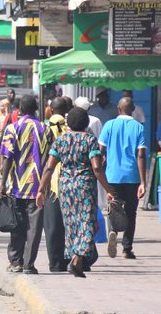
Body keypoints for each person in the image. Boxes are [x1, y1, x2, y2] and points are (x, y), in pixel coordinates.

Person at [36, 107, 115, 277]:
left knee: (71, 224)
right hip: (85, 187)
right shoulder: (90, 140)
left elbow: (49, 167)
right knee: (88, 223)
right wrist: (109, 190)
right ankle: (77, 259)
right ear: (86, 123)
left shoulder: (60, 141)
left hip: (65, 188)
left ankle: (75, 258)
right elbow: (96, 168)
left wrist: (41, 190)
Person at [0, 95, 48, 274]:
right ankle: (29, 264)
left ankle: (15, 261)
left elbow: (7, 158)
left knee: (17, 225)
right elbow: (50, 159)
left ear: (19, 109)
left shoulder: (13, 128)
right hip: (38, 187)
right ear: (36, 109)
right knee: (34, 228)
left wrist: (2, 184)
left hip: (17, 186)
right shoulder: (45, 129)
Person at [98, 96, 148, 259]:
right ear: (133, 110)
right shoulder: (138, 128)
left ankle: (112, 231)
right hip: (132, 176)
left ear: (118, 109)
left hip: (112, 176)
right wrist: (143, 181)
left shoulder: (109, 125)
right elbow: (141, 155)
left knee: (114, 207)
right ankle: (127, 248)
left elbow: (101, 150)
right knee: (131, 212)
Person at [41, 97, 72, 272]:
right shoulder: (71, 127)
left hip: (53, 180)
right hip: (70, 179)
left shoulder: (50, 126)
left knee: (52, 224)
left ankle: (55, 262)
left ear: (51, 110)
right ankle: (68, 258)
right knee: (67, 223)